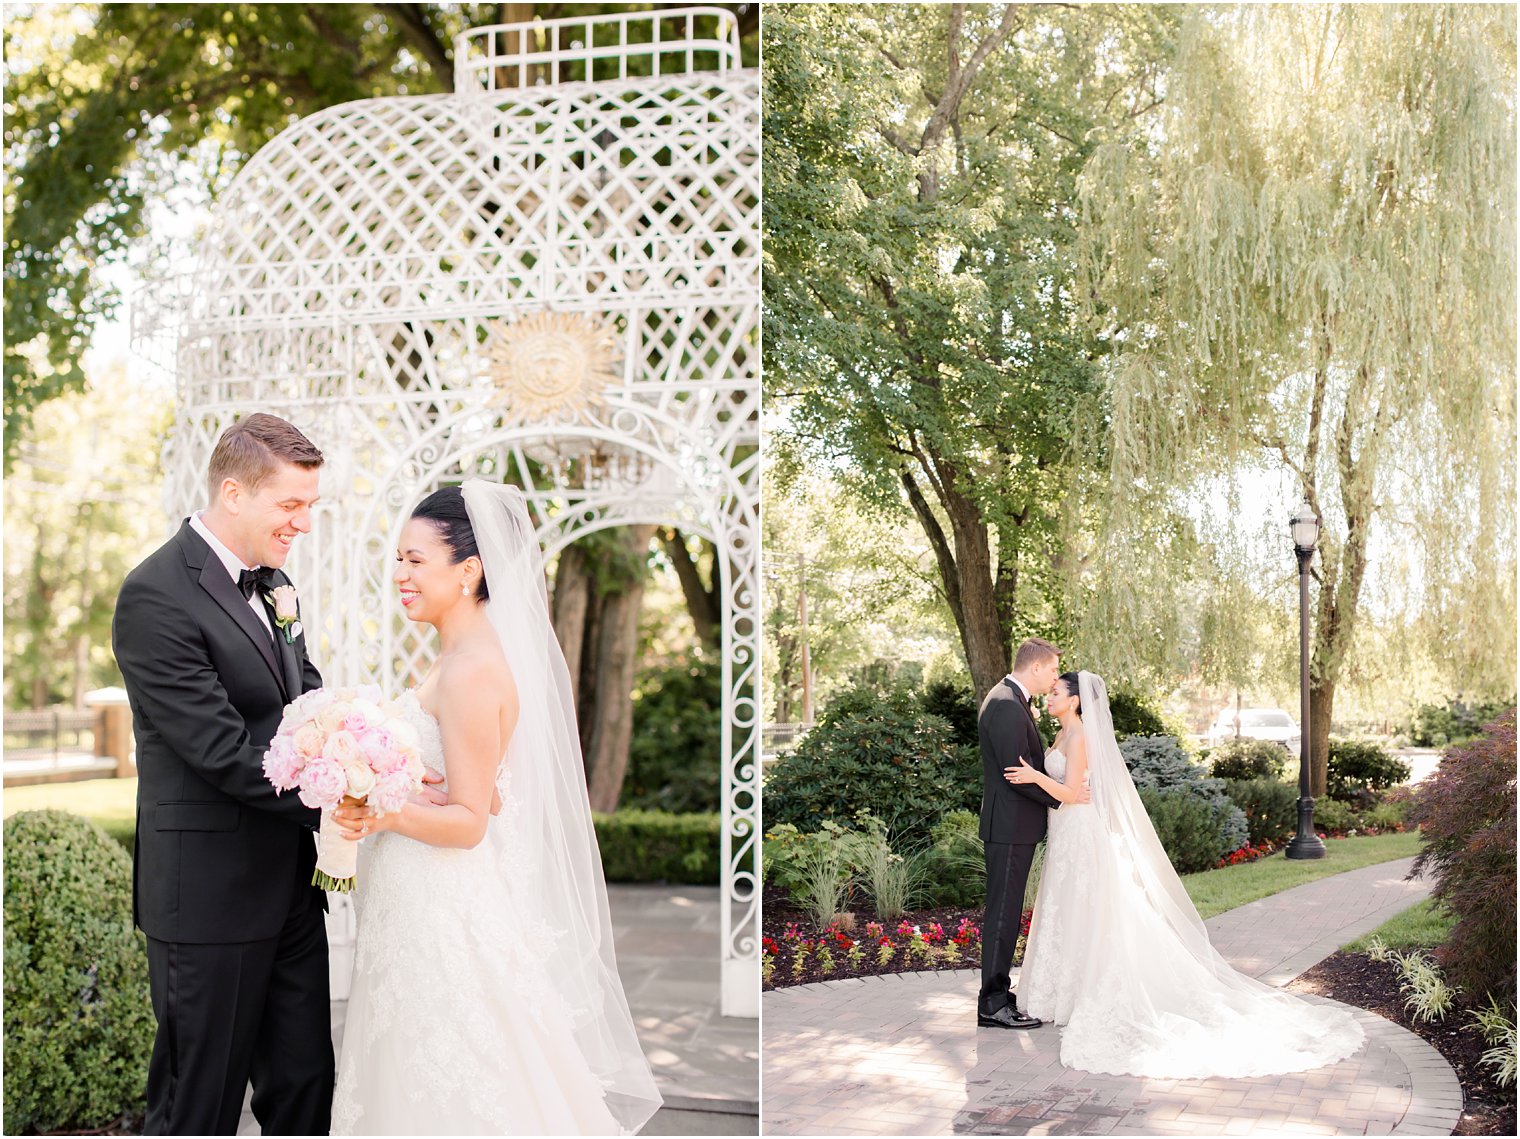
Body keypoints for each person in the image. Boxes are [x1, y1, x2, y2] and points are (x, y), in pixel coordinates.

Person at [328, 480, 662, 1135]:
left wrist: (382, 811)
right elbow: (482, 790)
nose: (400, 574)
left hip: (442, 908)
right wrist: (403, 778)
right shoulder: (456, 654)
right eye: (398, 557)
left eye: (416, 560)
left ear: (469, 569)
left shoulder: (473, 667)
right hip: (417, 902)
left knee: (454, 1076)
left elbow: (470, 823)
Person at [112, 414, 335, 1134]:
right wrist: (340, 803)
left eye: (310, 504)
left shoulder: (277, 584)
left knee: (304, 1090)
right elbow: (223, 752)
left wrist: (355, 750)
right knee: (196, 1107)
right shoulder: (154, 595)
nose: (303, 522)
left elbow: (307, 697)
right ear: (234, 493)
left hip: (293, 892)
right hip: (208, 900)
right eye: (291, 504)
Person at [1006, 670, 1365, 1077]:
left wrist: (1035, 777)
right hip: (1067, 834)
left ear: (1074, 700)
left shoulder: (1081, 737)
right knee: (1068, 908)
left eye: (1055, 692)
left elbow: (1071, 793)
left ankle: (1087, 992)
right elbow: (1069, 790)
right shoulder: (1059, 735)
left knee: (1090, 909)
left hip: (1083, 835)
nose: (1049, 697)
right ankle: (1059, 993)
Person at [976, 637, 1090, 1030]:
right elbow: (1016, 774)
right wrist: (1067, 798)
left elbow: (1027, 770)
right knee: (1003, 915)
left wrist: (1066, 791)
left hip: (1013, 826)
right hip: (1009, 827)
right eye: (1053, 670)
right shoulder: (1007, 704)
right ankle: (992, 1004)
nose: (1054, 678)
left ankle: (997, 993)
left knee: (1005, 913)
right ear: (1037, 667)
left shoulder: (1010, 699)